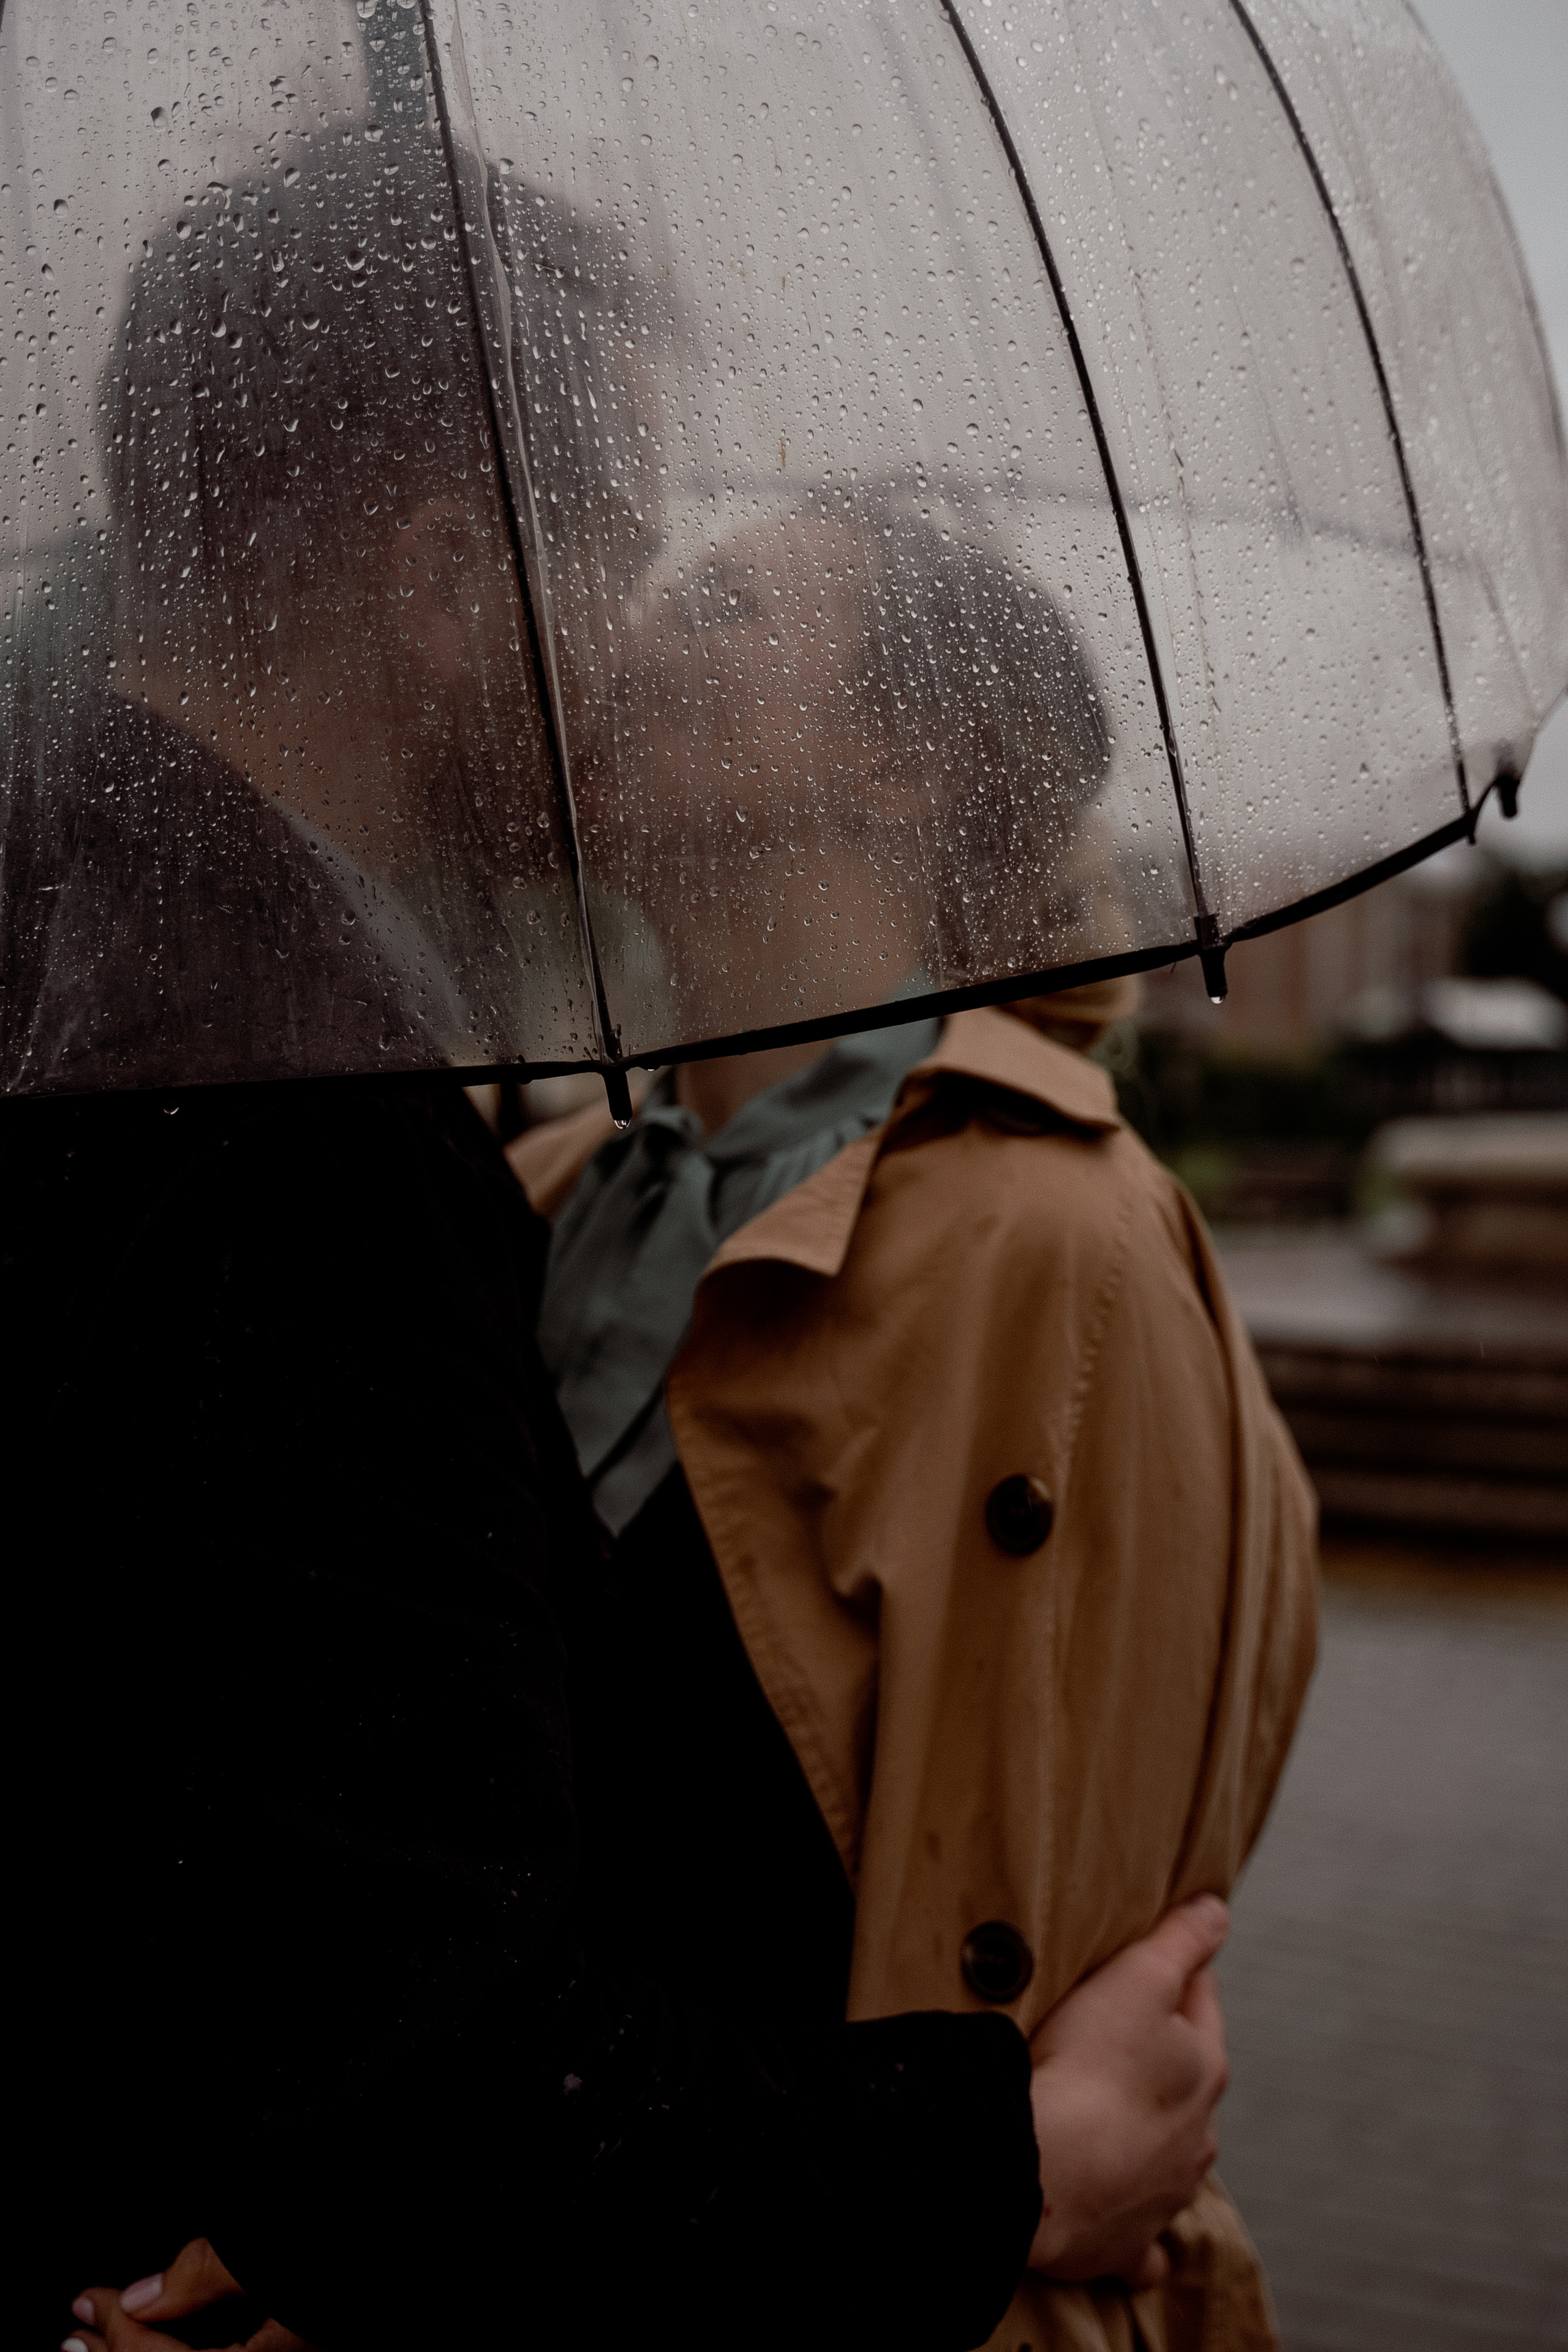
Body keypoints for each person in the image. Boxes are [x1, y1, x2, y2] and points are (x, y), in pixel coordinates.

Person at [10, 118, 1238, 2352]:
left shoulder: (121, 976)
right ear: (435, 576)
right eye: (619, 551)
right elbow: (424, 2059)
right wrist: (996, 2167)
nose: (636, 636)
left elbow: (1050, 1894)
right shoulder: (329, 1127)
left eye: (715, 590)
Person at [509, 514, 1320, 2352]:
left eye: (720, 605)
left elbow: (1064, 1997)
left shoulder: (1065, 1245)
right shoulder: (544, 1200)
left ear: (902, 759)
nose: (618, 642)